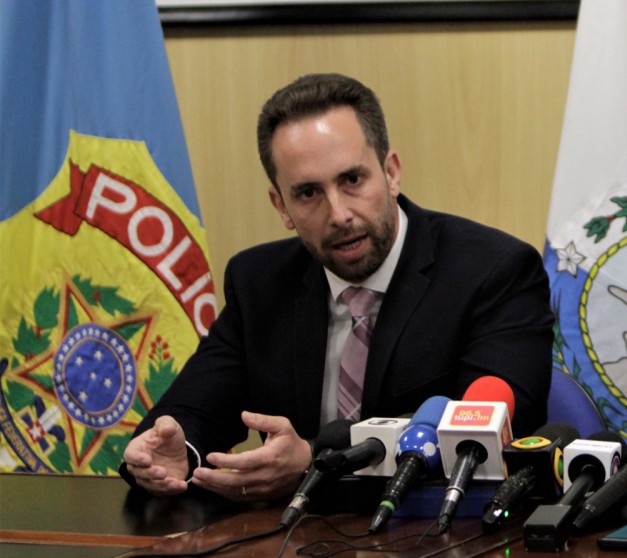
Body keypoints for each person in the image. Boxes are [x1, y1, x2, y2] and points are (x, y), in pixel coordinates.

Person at [121, 73, 554, 501]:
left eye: (352, 180)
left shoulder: (493, 271)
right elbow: (196, 408)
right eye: (309, 193)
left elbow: (478, 437)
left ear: (391, 171)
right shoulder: (258, 283)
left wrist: (312, 460)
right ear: (281, 206)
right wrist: (173, 452)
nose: (339, 213)